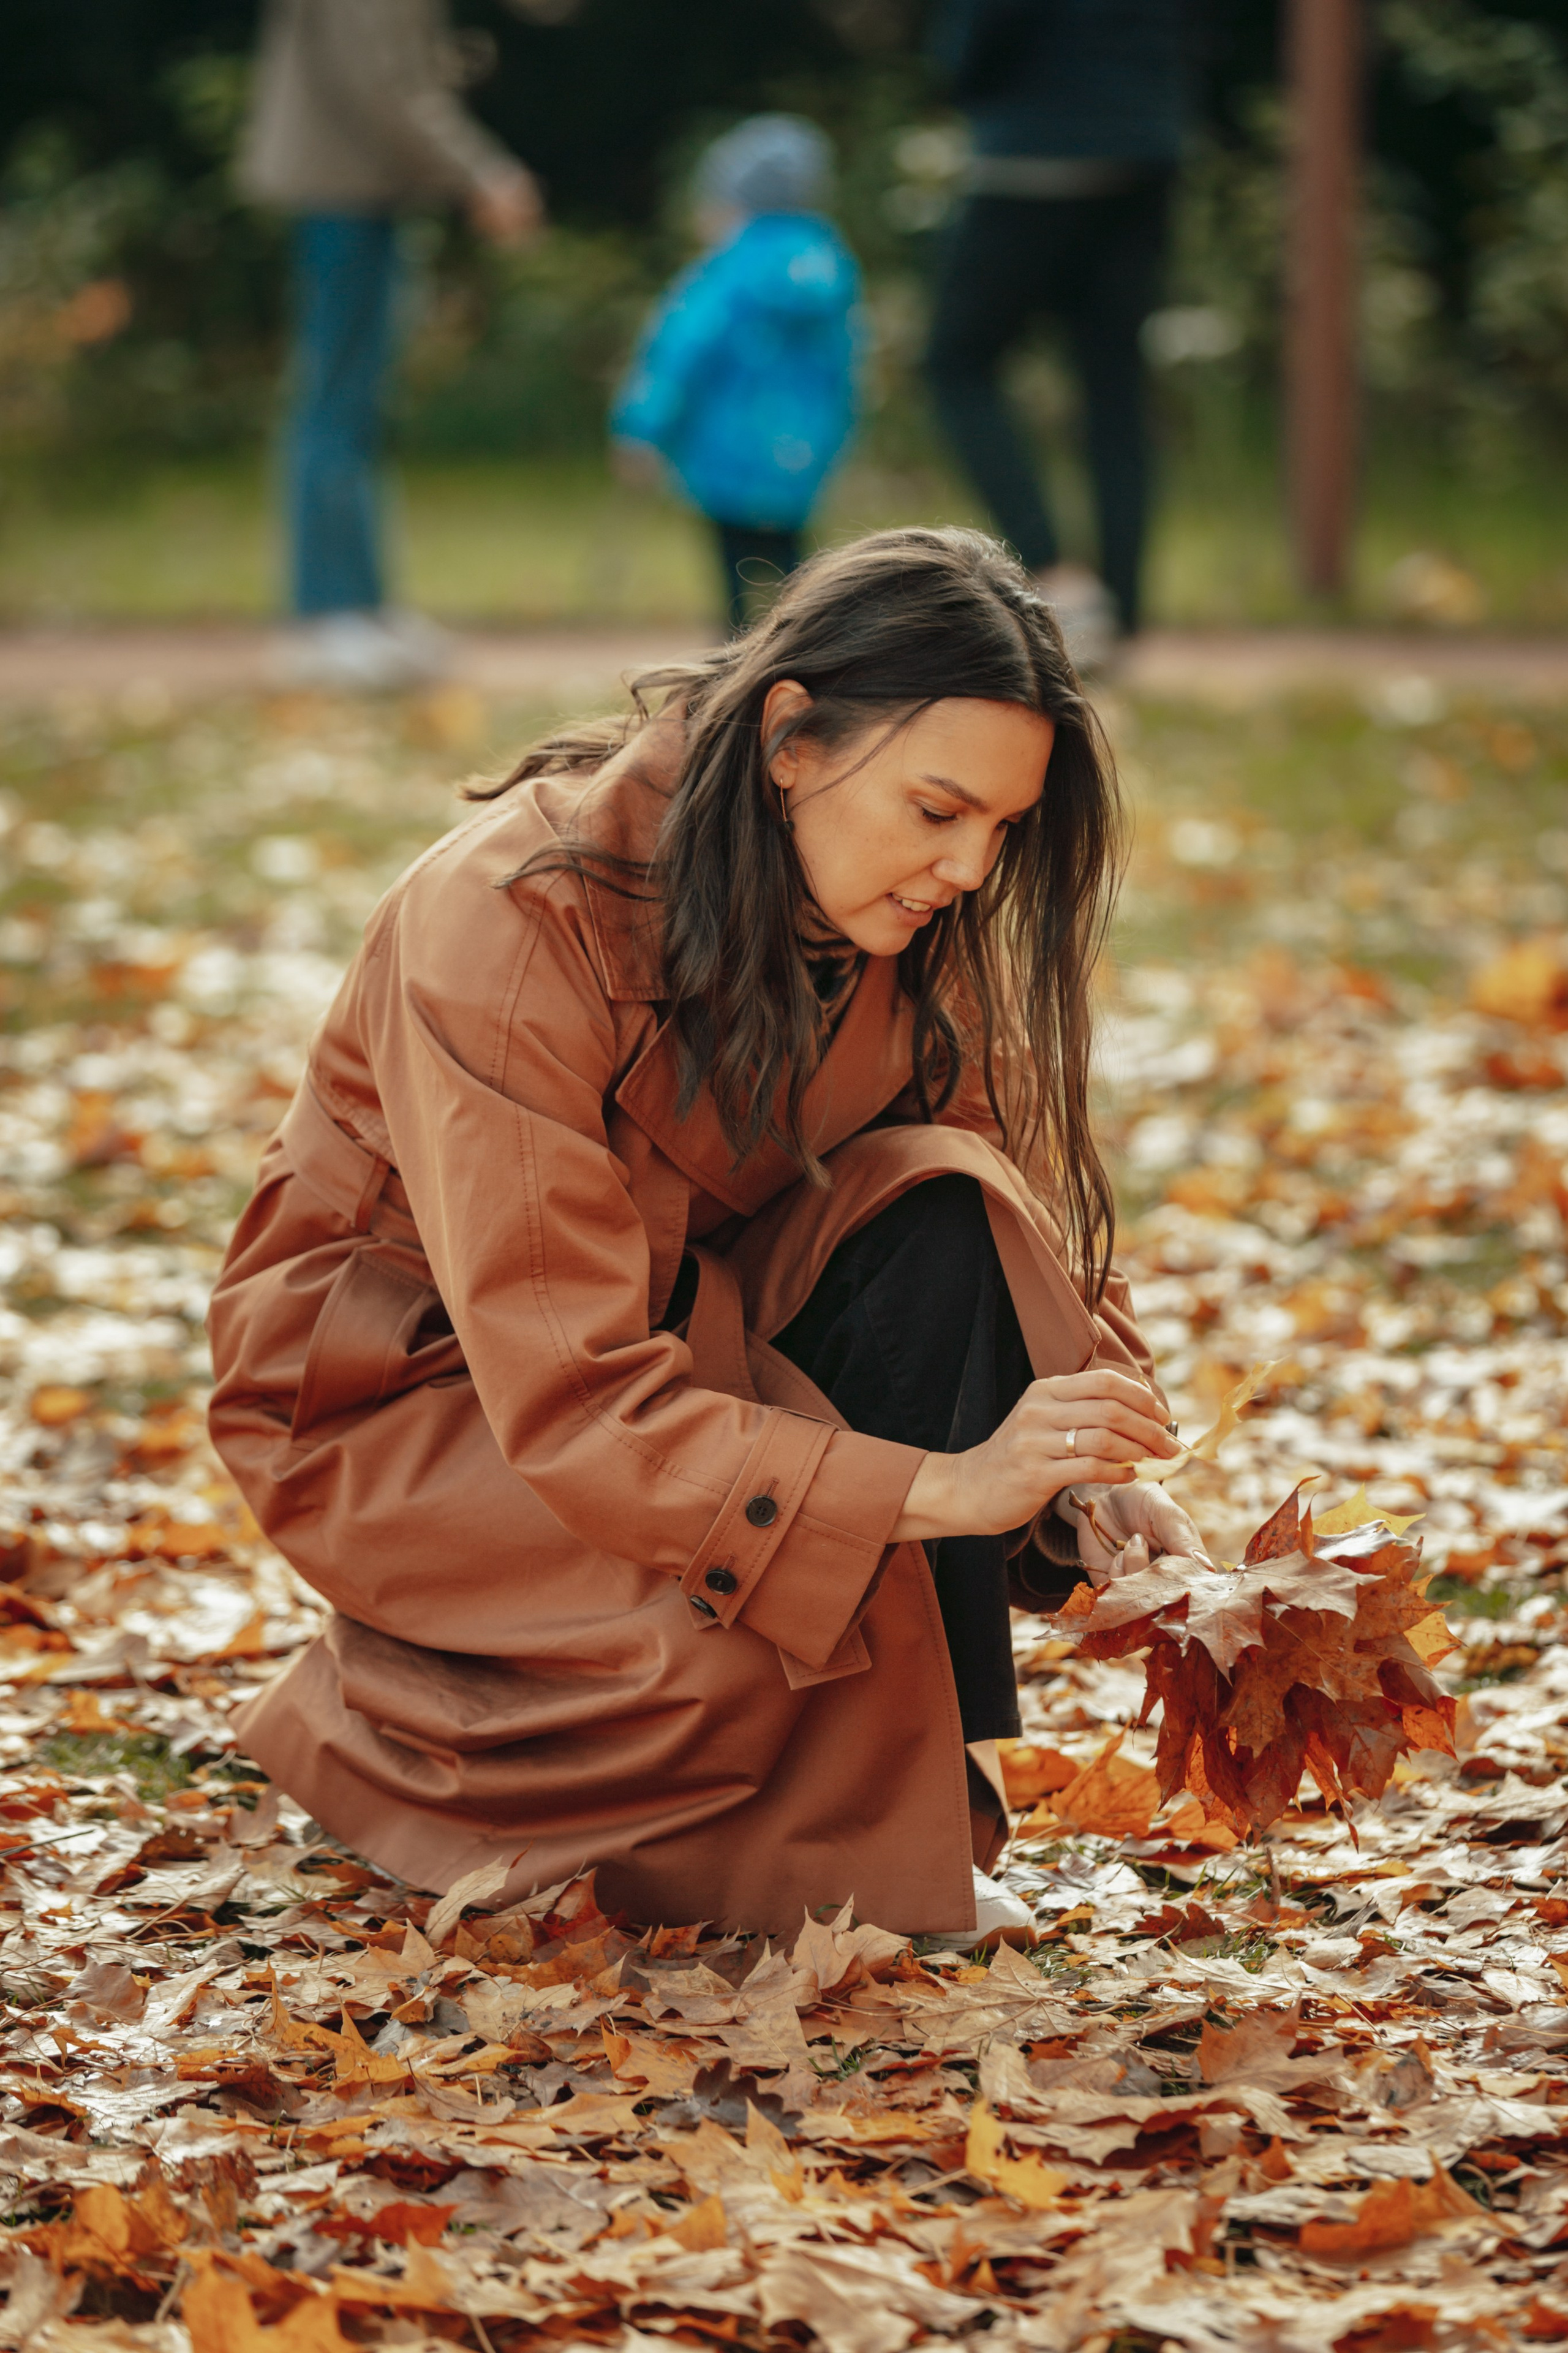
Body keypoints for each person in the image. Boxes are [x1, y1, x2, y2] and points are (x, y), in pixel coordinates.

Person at [207, 527, 1205, 1943]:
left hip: (701, 1333)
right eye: (937, 809)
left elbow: (1003, 1189)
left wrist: (1083, 1466)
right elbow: (571, 1389)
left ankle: (923, 1799)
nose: (969, 868)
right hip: (420, 1401)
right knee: (741, 1644)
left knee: (941, 1186)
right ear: (791, 737)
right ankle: (395, 1717)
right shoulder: (506, 923)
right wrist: (938, 1486)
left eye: (1000, 830)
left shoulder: (889, 909)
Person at [239, 0, 543, 692]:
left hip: (366, 190)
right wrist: (483, 173)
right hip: (341, 192)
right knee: (335, 401)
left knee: (356, 403)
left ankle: (362, 607)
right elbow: (383, 86)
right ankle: (323, 617)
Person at [925, 0, 1195, 668]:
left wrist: (958, 71)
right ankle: (1121, 614)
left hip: (1034, 149)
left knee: (954, 363)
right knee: (1115, 387)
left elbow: (983, 35)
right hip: (1145, 148)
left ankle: (1053, 579)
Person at [610, 116, 860, 634]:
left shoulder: (725, 273)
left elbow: (680, 350)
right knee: (795, 567)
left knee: (733, 569)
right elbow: (848, 368)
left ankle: (735, 660)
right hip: (801, 454)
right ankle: (811, 650)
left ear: (735, 203)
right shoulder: (831, 266)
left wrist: (642, 428)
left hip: (725, 452)